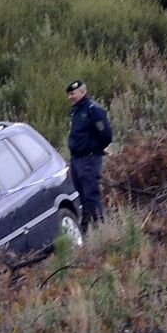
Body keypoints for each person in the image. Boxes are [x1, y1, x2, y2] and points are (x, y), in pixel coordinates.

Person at [66, 80, 113, 232]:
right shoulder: (76, 111)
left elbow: (106, 135)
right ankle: (87, 229)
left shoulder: (93, 110)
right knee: (82, 195)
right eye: (69, 94)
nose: (70, 97)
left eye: (72, 93)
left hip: (89, 159)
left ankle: (101, 229)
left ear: (82, 92)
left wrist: (97, 148)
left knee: (91, 194)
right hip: (77, 160)